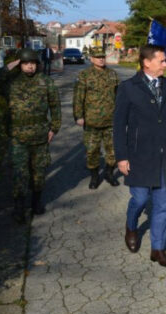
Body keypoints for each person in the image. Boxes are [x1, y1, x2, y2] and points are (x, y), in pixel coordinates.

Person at [114, 44, 166, 266]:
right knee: (140, 199)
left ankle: (157, 249)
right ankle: (131, 225)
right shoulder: (128, 88)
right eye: (162, 60)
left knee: (163, 205)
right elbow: (119, 125)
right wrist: (121, 156)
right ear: (147, 62)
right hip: (139, 156)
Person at [7, 48, 61, 223]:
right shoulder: (12, 81)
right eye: (25, 63)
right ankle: (19, 207)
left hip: (40, 135)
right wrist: (9, 69)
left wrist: (54, 128)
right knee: (20, 173)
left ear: (37, 65)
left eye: (32, 63)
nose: (29, 67)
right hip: (18, 136)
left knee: (38, 173)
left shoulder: (45, 82)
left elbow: (55, 106)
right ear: (20, 65)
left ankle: (36, 202)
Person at [73, 48, 121, 189]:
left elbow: (120, 96)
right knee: (92, 150)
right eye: (97, 57)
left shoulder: (113, 74)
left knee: (112, 150)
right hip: (91, 121)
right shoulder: (84, 75)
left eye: (102, 57)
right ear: (92, 59)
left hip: (111, 120)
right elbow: (78, 97)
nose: (101, 59)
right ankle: (94, 177)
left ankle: (109, 173)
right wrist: (78, 116)